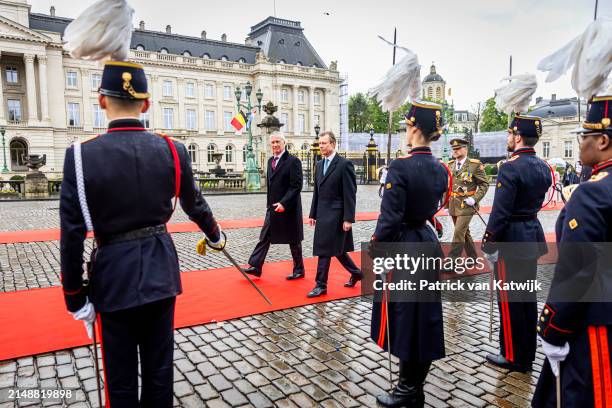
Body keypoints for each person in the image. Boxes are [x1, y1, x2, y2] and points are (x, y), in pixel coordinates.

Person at [60, 60, 224, 407]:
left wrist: (75, 296)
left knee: (119, 383)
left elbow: (72, 234)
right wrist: (215, 235)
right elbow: (195, 204)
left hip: (112, 277)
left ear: (101, 100)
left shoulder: (79, 156)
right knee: (159, 374)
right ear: (147, 104)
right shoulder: (173, 150)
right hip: (160, 273)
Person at [532, 94, 612, 408]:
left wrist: (553, 328)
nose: (580, 144)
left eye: (585, 136)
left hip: (596, 323)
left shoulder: (592, 193)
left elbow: (579, 273)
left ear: (603, 140)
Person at [370, 101, 449, 407]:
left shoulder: (400, 167)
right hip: (427, 243)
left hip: (404, 245)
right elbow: (433, 206)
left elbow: (389, 220)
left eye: (406, 125)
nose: (405, 130)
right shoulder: (440, 169)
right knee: (424, 318)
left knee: (404, 319)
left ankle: (406, 390)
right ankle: (413, 386)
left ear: (414, 127)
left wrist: (377, 247)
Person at [482, 114, 552, 372]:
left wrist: (489, 244)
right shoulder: (543, 166)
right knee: (526, 299)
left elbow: (500, 212)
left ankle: (512, 356)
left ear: (518, 136)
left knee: (510, 301)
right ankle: (527, 353)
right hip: (531, 235)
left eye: (510, 134)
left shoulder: (510, 167)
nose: (508, 139)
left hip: (511, 238)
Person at [307, 131, 363, 298]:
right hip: (323, 214)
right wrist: (312, 213)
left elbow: (350, 193)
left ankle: (320, 285)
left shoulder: (344, 164)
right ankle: (357, 273)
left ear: (332, 144)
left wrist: (348, 218)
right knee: (337, 250)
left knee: (324, 249)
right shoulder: (318, 164)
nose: (321, 146)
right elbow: (317, 192)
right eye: (319, 143)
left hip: (337, 216)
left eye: (324, 143)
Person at [243, 131, 305, 279]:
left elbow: (296, 186)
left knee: (293, 240)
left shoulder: (293, 161)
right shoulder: (270, 160)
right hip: (273, 207)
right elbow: (271, 186)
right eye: (273, 142)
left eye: (278, 142)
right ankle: (256, 266)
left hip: (289, 207)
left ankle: (299, 270)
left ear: (284, 143)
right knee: (265, 236)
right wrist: (269, 205)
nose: (275, 144)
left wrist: (284, 203)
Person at [446, 138, 489, 260]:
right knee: (465, 233)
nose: (455, 151)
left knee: (458, 233)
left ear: (465, 149)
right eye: (453, 149)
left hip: (467, 205)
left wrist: (474, 199)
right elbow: (447, 186)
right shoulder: (450, 165)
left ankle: (452, 261)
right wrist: (445, 205)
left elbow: (484, 184)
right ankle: (473, 257)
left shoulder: (474, 165)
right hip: (453, 205)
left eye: (458, 148)